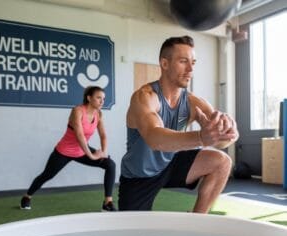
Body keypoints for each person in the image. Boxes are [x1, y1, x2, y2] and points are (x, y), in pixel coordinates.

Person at [118, 35, 239, 213]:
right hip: (139, 175)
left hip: (170, 164)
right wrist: (200, 137)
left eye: (193, 63)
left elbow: (219, 142)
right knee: (133, 234)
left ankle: (198, 219)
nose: (190, 69)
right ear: (164, 64)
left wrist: (228, 134)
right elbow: (154, 138)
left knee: (222, 162)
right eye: (183, 61)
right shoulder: (145, 97)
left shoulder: (193, 102)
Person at [20, 86, 116, 212]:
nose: (102, 101)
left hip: (82, 151)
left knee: (110, 164)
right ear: (89, 98)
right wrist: (92, 156)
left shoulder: (98, 115)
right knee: (47, 175)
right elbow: (80, 136)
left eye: (103, 98)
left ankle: (107, 202)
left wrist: (104, 152)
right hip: (64, 151)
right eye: (98, 98)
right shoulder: (77, 111)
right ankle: (27, 196)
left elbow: (103, 135)